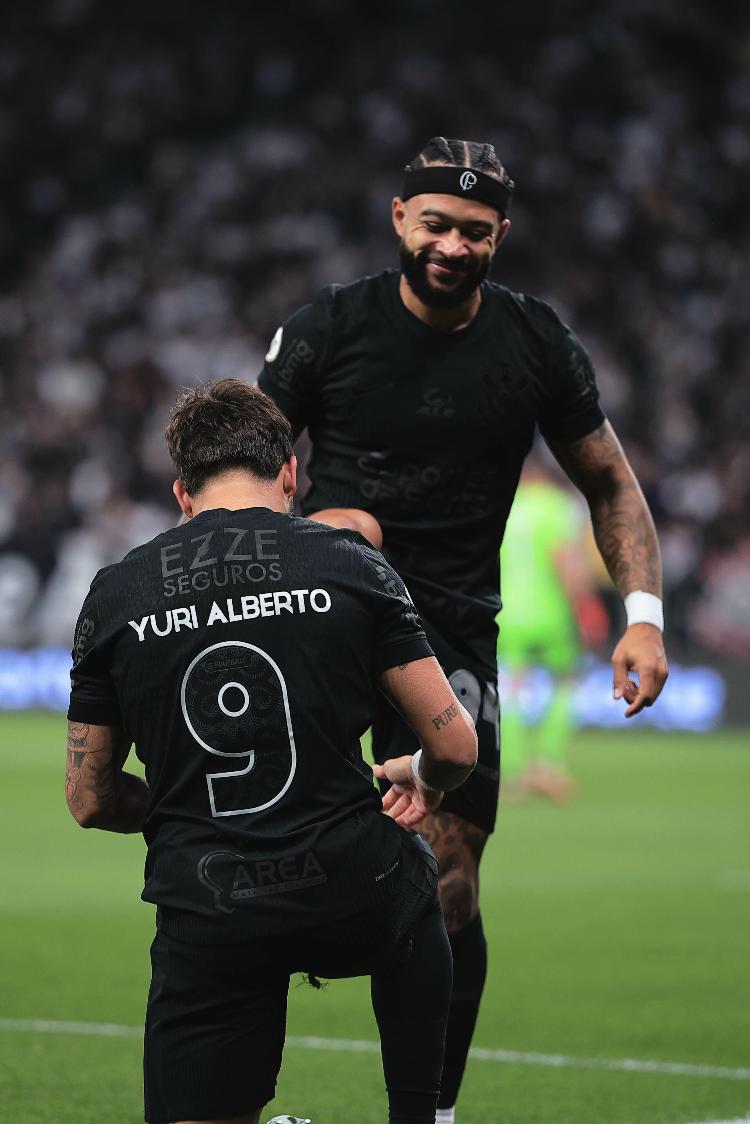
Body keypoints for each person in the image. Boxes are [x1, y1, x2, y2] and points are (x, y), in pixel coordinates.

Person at [258, 136, 669, 1122]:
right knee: (261, 865)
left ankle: (428, 1110)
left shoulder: (534, 342)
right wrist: (302, 532)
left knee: (448, 871)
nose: (451, 245)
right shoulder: (325, 329)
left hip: (446, 634)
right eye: (435, 223)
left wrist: (643, 617)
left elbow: (609, 480)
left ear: (501, 238)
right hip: (315, 616)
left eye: (474, 231)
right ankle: (235, 1093)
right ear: (401, 219)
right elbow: (248, 468)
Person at [65, 378, 478, 1124]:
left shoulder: (116, 594)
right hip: (349, 881)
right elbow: (454, 744)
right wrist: (421, 778)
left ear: (182, 492)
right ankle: (420, 1116)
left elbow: (89, 798)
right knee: (421, 885)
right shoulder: (348, 561)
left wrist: (186, 804)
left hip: (207, 900)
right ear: (290, 472)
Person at [497, 454, 610, 802]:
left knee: (510, 688)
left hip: (506, 612)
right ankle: (548, 764)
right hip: (550, 612)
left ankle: (515, 770)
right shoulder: (559, 507)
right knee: (565, 681)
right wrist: (587, 607)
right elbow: (565, 560)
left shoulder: (502, 506)